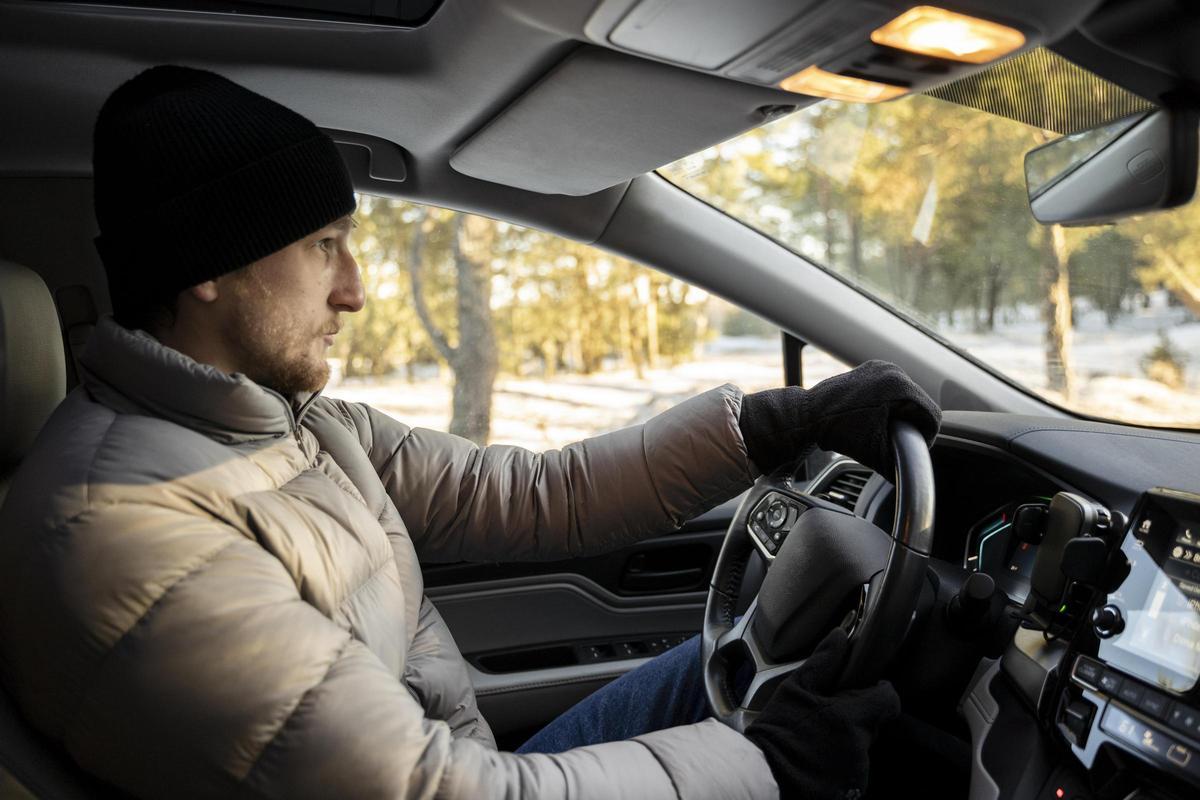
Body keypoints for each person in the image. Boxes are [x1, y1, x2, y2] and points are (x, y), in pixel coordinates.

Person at [0, 65, 940, 799]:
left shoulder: (291, 429)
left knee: (779, 661)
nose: (355, 289)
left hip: (467, 765)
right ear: (206, 264)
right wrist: (770, 768)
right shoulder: (126, 532)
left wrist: (780, 424)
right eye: (323, 244)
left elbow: (539, 496)